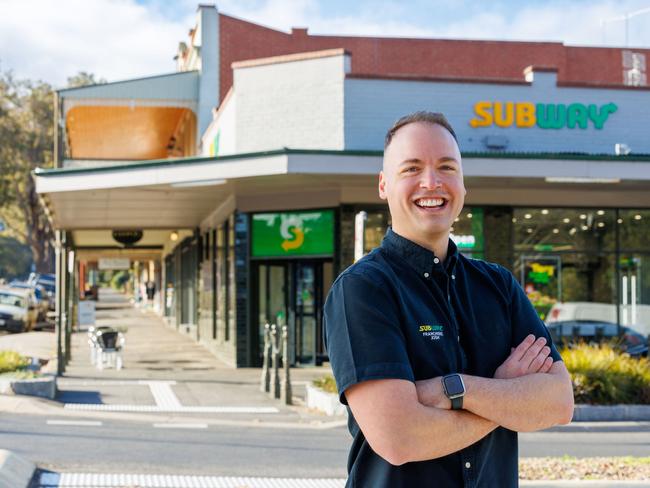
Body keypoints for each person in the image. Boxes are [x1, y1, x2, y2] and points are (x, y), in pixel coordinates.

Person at [323, 111, 574, 487]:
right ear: (383, 184)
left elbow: (557, 402)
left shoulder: (499, 287)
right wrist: (505, 393)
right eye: (411, 168)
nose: (431, 182)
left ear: (462, 183)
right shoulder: (363, 290)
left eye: (446, 167)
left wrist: (452, 389)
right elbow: (399, 437)